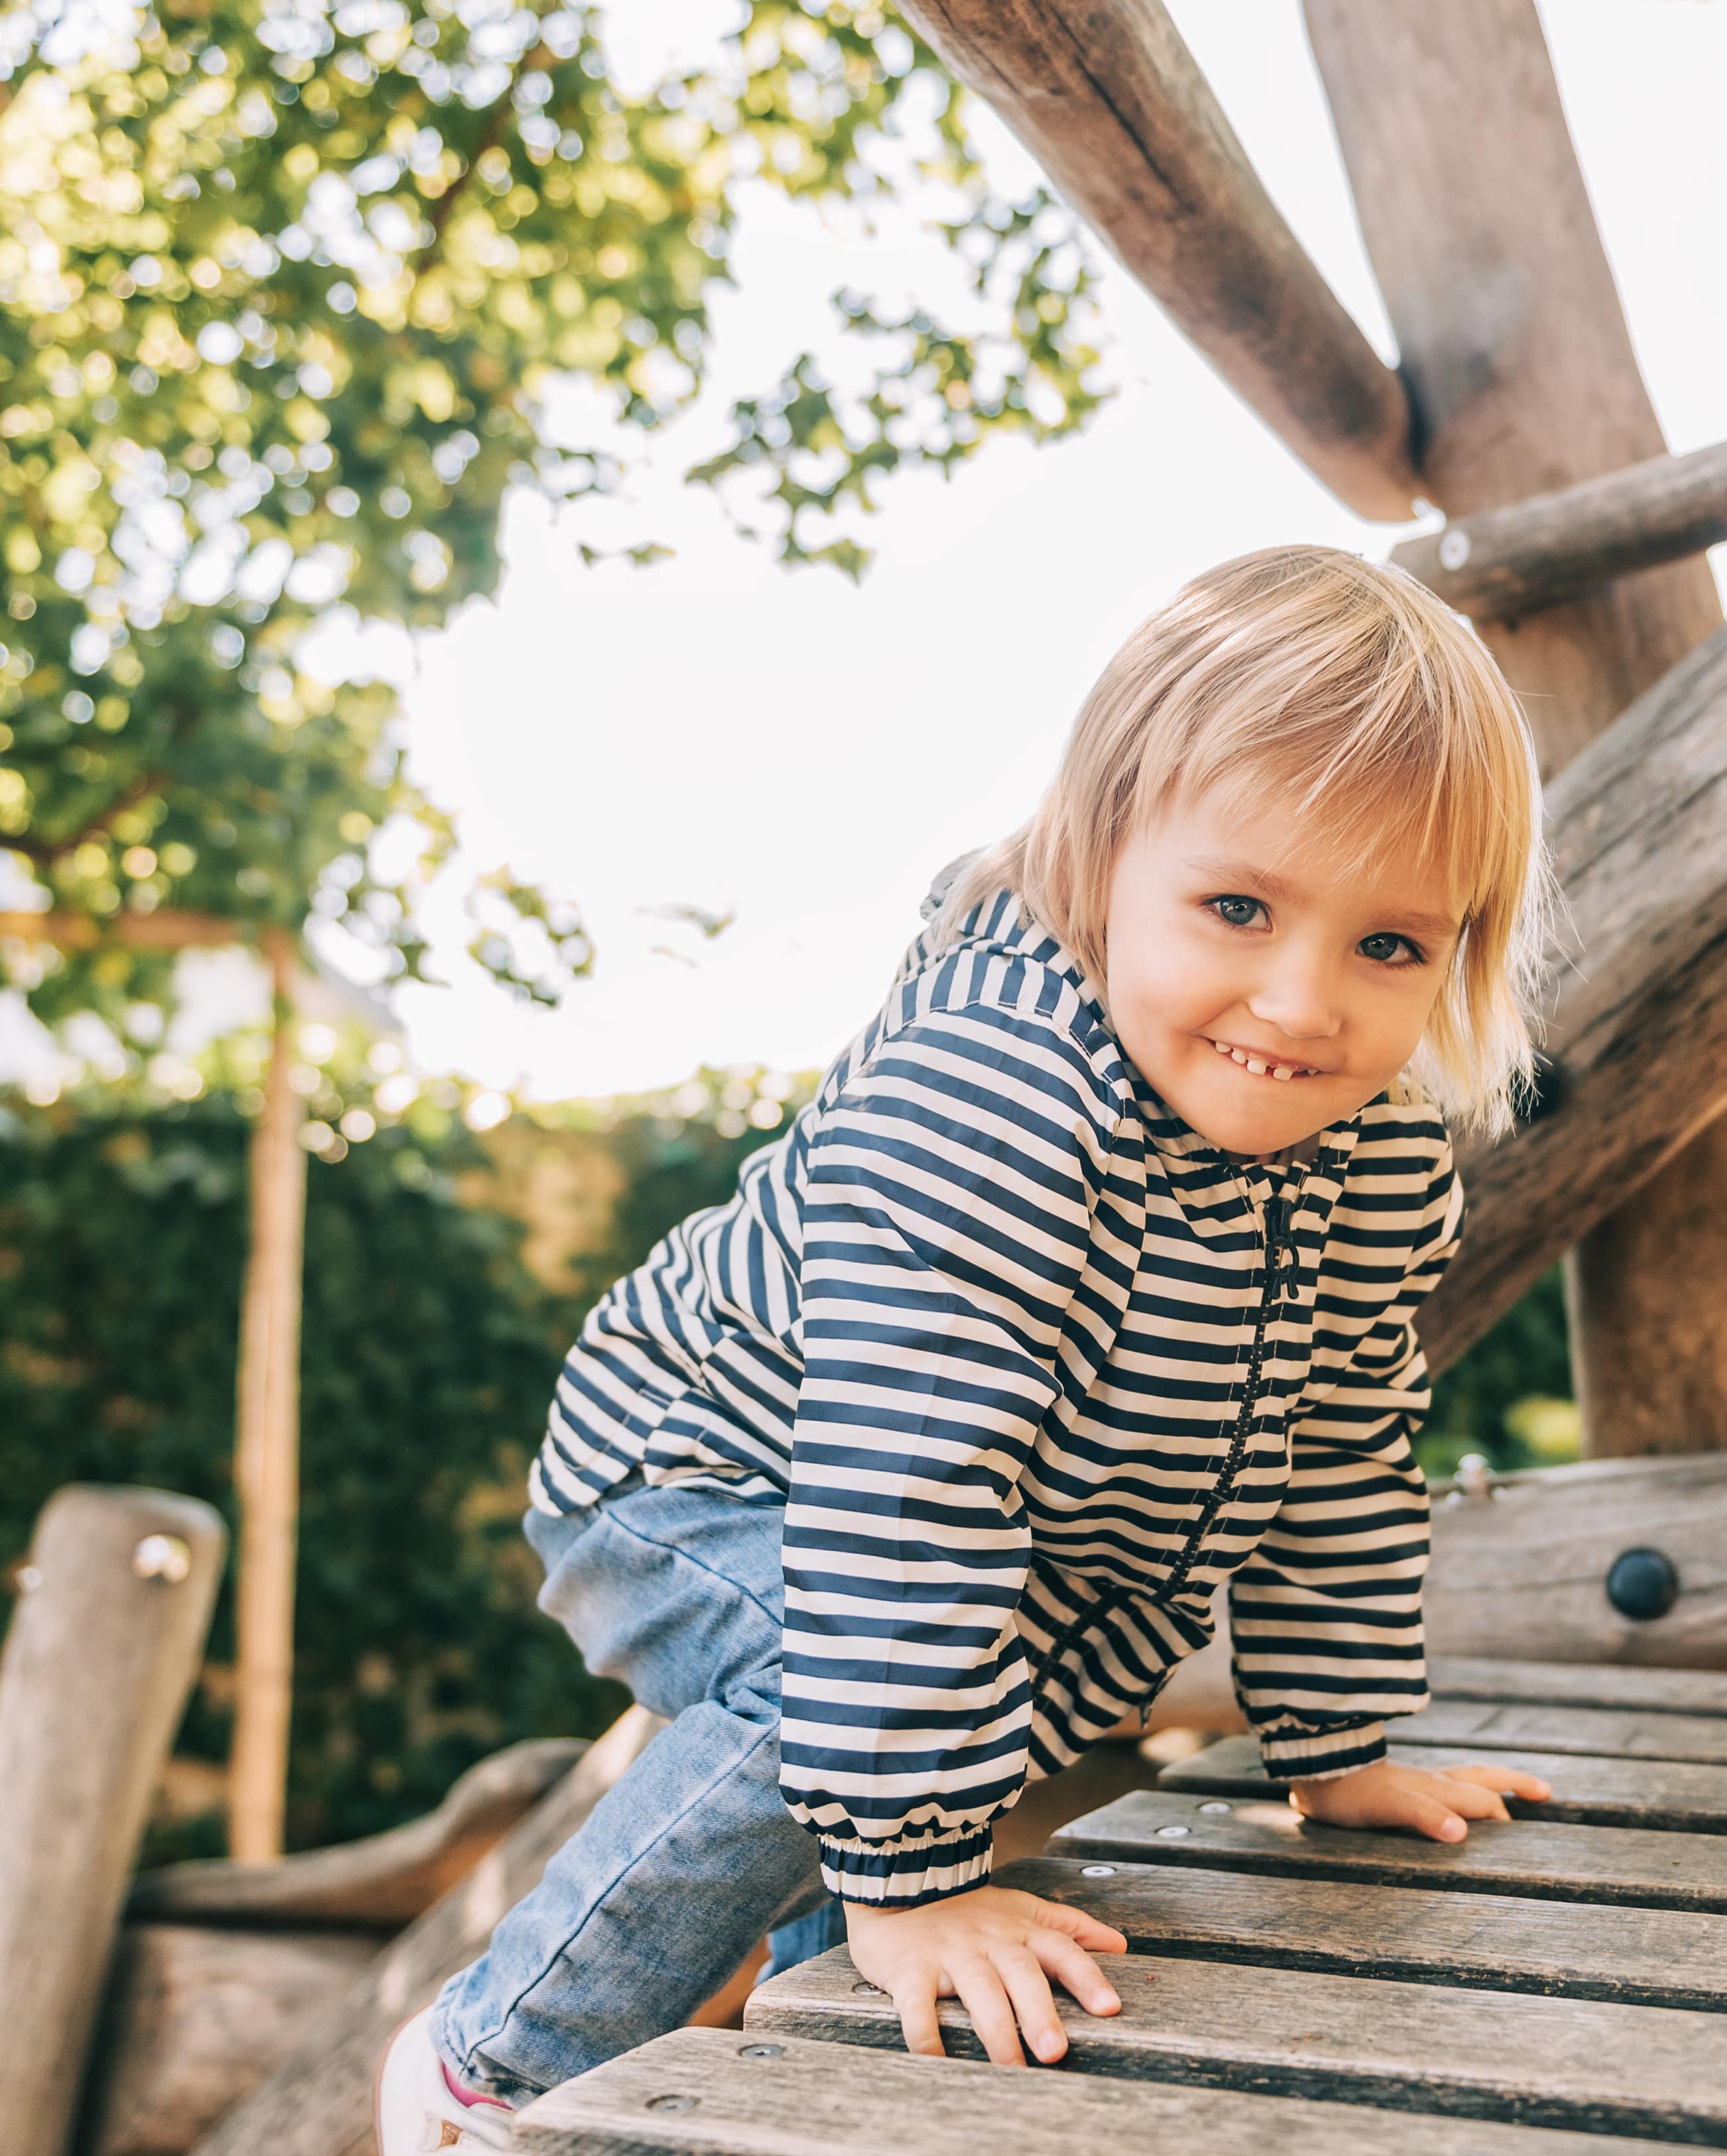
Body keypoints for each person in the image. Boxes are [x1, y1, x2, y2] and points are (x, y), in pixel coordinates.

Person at [375, 545, 1557, 2150]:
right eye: (1235, 907)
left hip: (943, 1530)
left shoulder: (1372, 1160)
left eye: (1390, 946)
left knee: (912, 1768)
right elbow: (904, 1497)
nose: (1301, 999)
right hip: (703, 1466)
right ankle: (493, 2062)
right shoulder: (996, 1103)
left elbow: (1339, 1451)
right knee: (831, 1695)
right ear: (1099, 854)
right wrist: (925, 1868)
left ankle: (827, 2072)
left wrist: (1334, 1741)